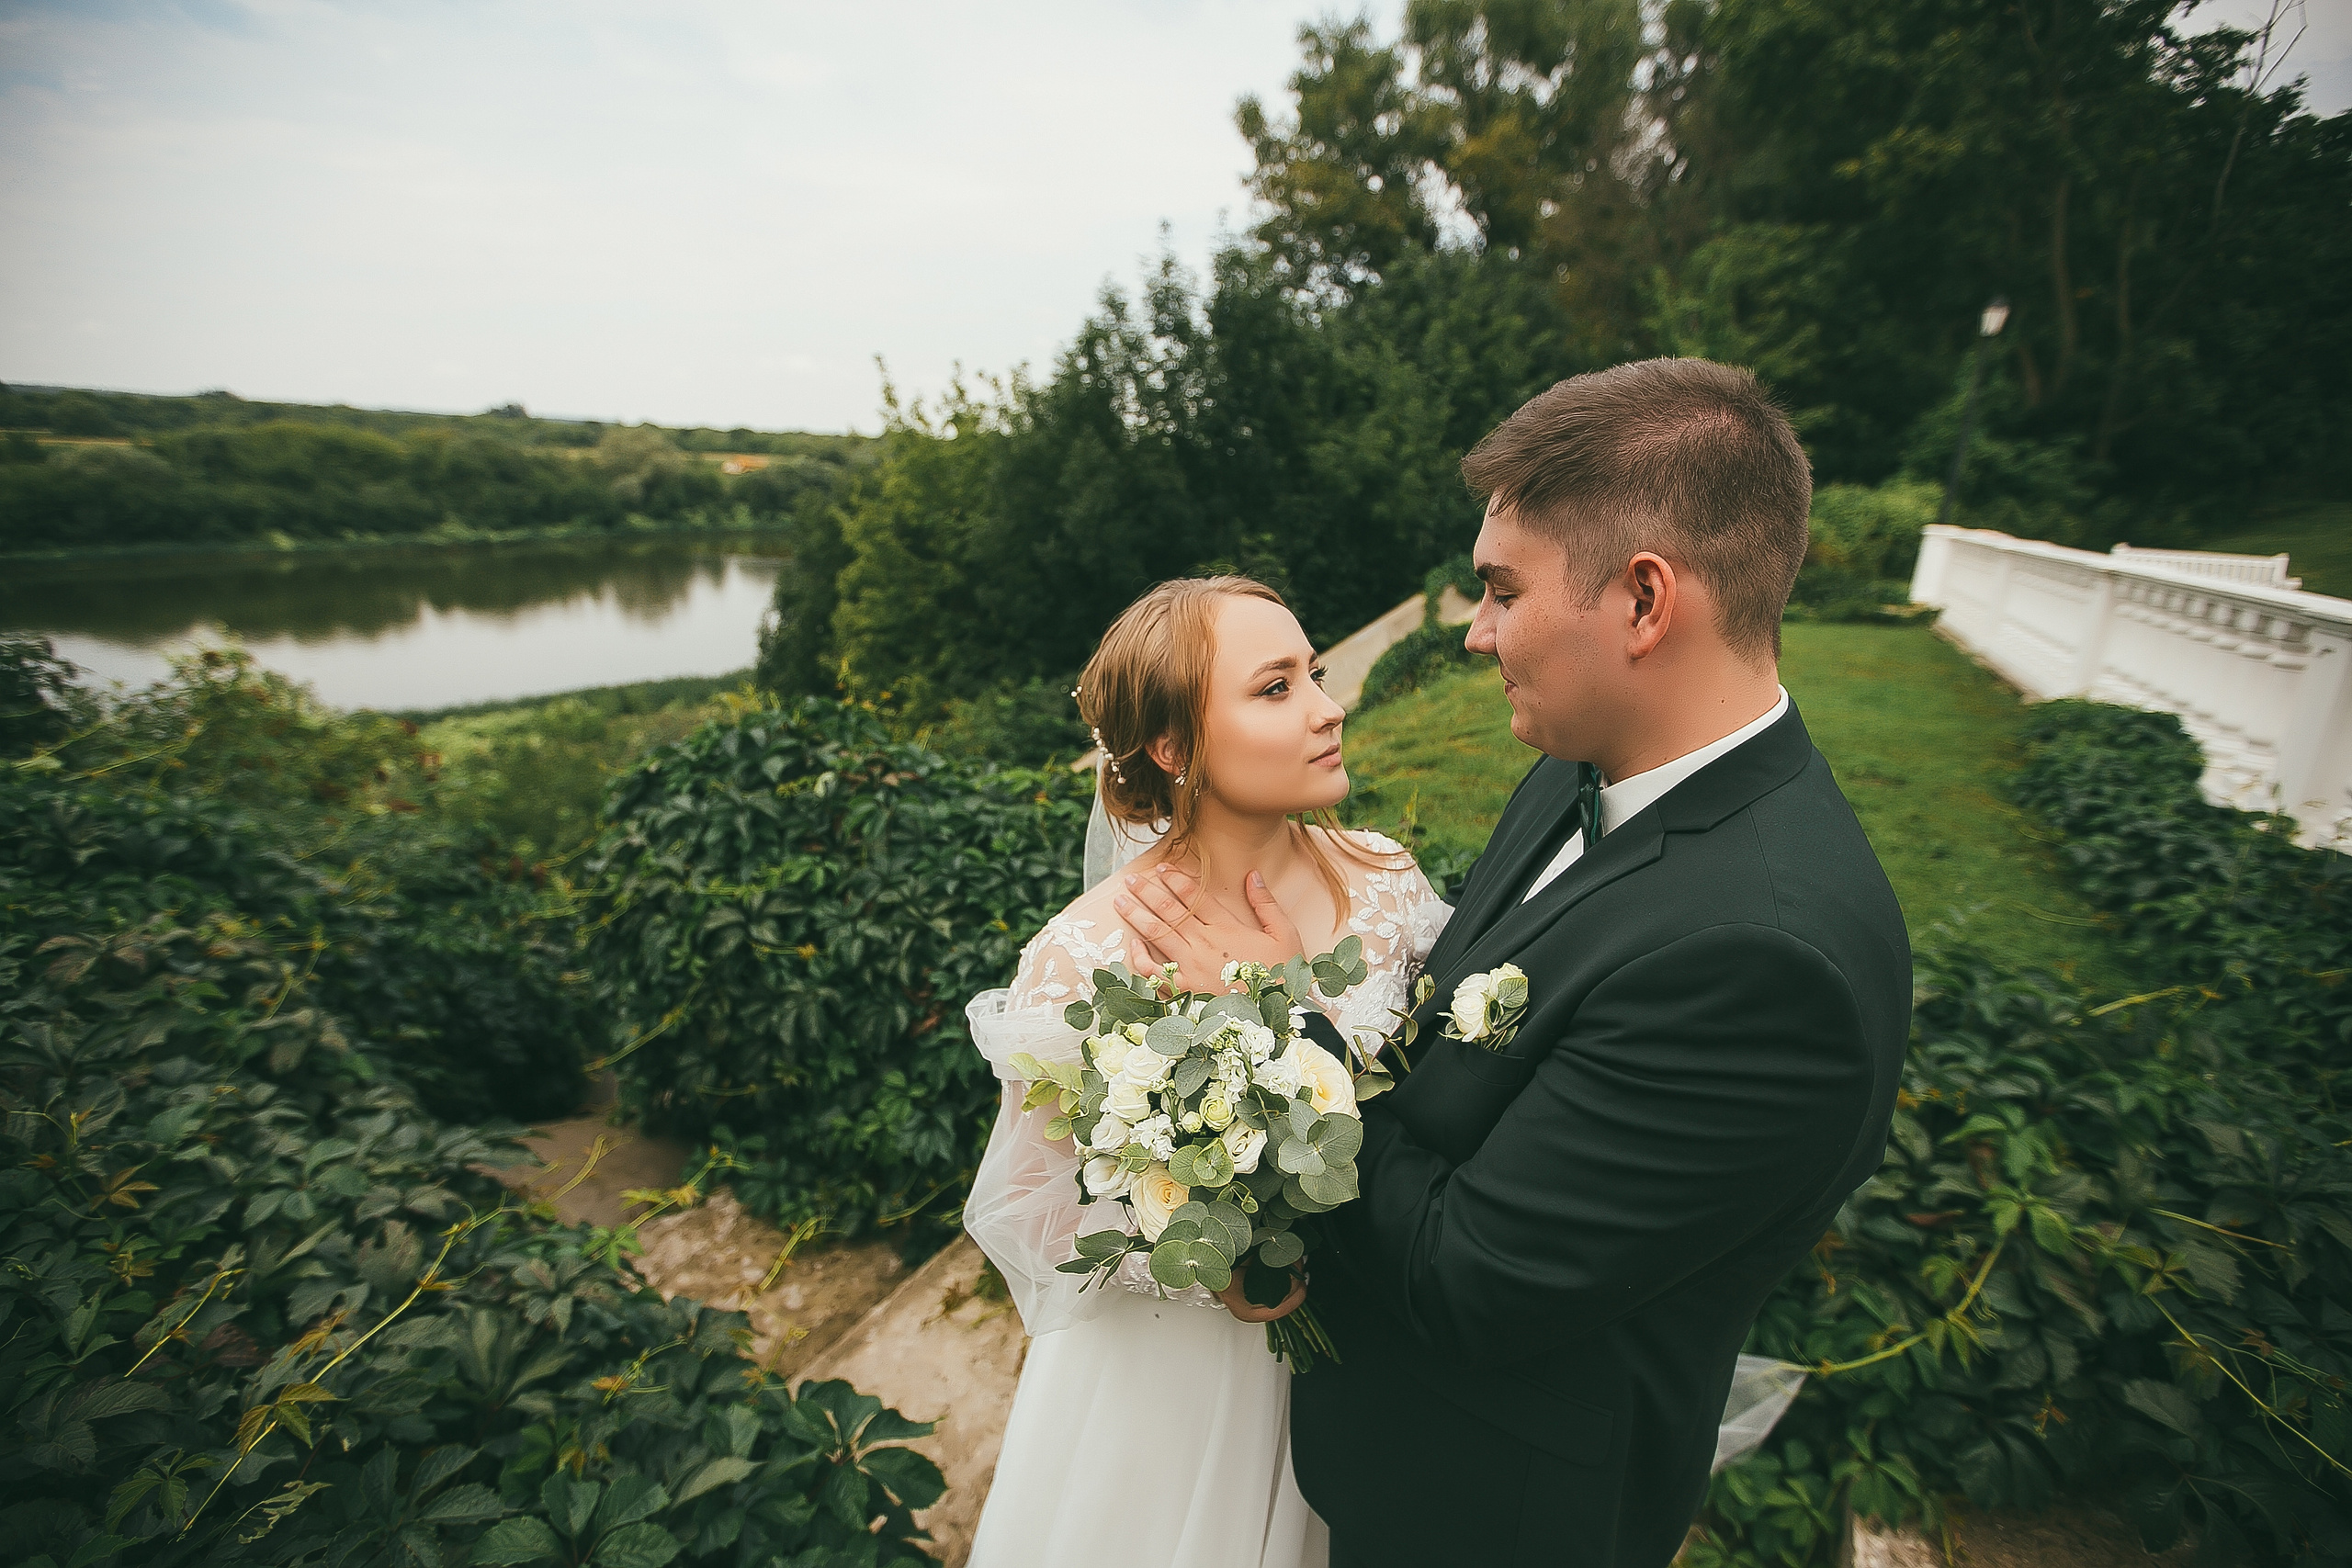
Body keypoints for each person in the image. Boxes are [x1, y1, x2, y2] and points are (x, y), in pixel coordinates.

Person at [1118, 358, 1914, 1567]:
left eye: (1499, 588)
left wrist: (1272, 1012)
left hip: (1489, 1509)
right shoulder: (1580, 767)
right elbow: (1454, 1033)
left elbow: (1467, 1274)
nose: (1476, 627)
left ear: (1644, 600)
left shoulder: (1764, 962)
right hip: (1378, 1441)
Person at [961, 575, 1451, 1568]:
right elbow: (1030, 1206)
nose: (1328, 706)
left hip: (1383, 1339)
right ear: (1173, 747)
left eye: (1313, 673)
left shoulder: (1388, 880)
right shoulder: (1090, 951)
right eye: (1276, 688)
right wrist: (1208, 1264)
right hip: (1185, 1382)